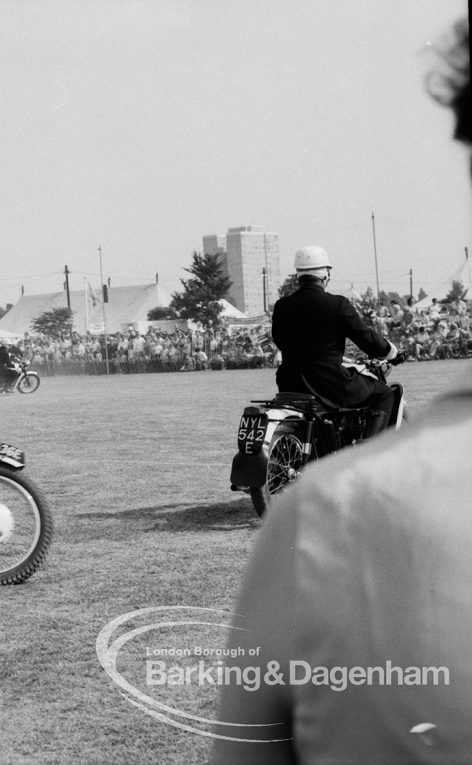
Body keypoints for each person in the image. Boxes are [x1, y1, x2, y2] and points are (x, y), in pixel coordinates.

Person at [211, 18, 471, 764]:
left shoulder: (285, 303)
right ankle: (377, 449)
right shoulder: (334, 301)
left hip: (290, 380)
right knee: (378, 394)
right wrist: (385, 348)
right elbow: (369, 343)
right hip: (331, 380)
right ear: (328, 270)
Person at [271, 245, 399, 437]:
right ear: (325, 275)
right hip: (329, 383)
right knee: (384, 394)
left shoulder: (282, 306)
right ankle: (368, 455)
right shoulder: (337, 304)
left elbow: (280, 341)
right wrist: (389, 350)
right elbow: (365, 338)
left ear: (298, 274)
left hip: (290, 382)